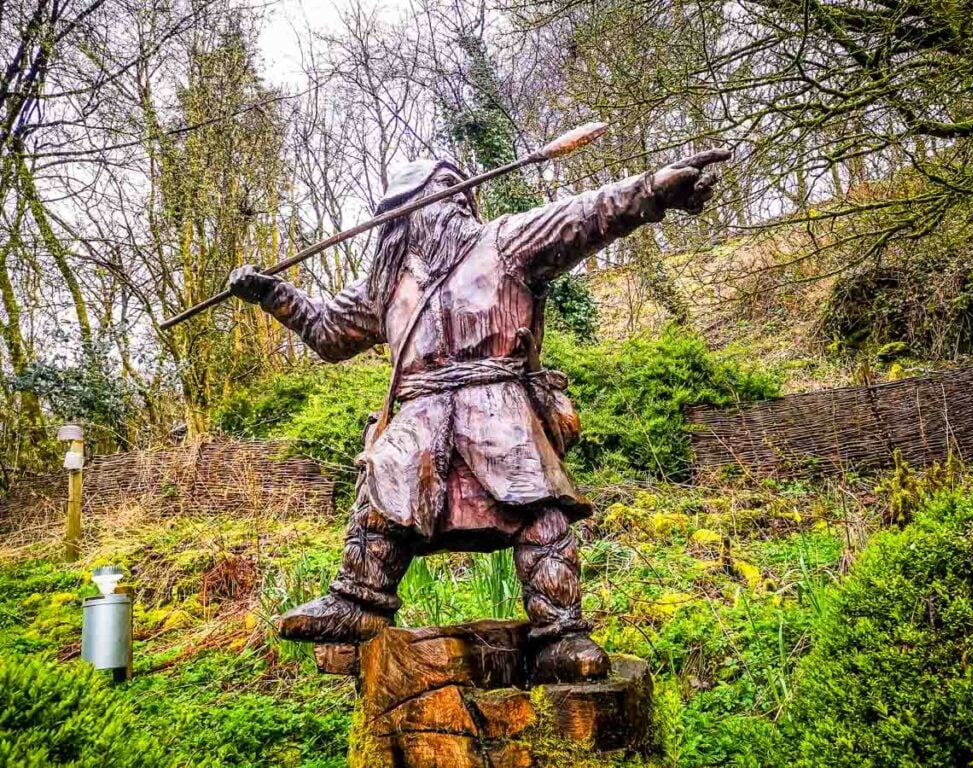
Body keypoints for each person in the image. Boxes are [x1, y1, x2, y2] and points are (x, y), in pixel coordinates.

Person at [228, 150, 726, 682]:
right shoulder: (387, 282)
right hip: (419, 413)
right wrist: (274, 294)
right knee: (380, 502)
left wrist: (653, 189)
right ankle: (357, 602)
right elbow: (330, 333)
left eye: (452, 198)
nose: (446, 211)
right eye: (426, 203)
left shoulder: (506, 242)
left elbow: (585, 215)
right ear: (400, 217)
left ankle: (561, 631)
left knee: (537, 513)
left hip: (496, 403)